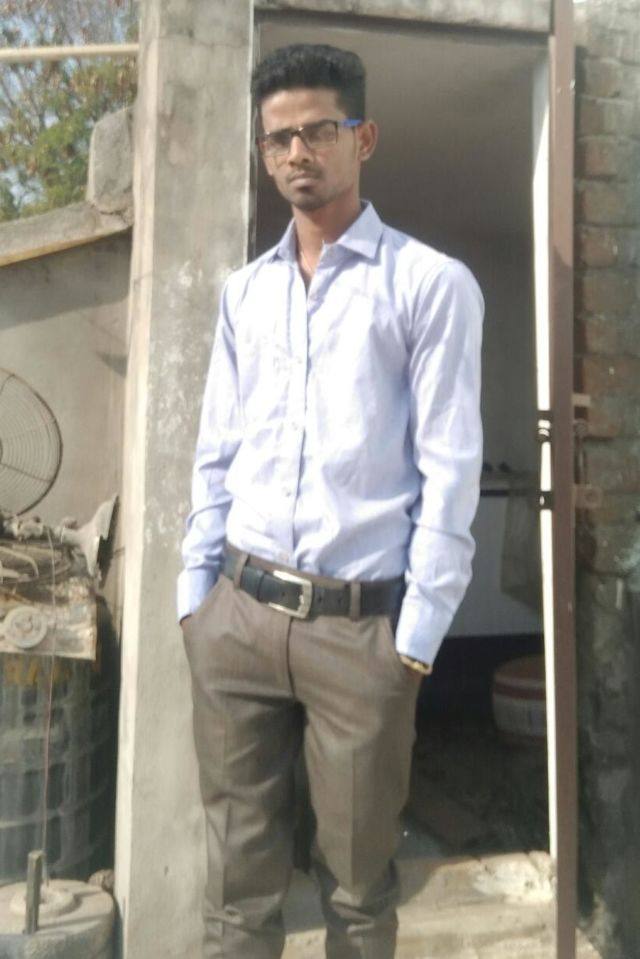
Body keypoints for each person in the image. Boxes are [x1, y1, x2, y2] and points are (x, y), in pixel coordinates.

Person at [178, 42, 483, 959]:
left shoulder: (428, 285)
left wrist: (413, 645)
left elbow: (450, 470)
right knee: (235, 892)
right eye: (278, 138)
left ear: (364, 137)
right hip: (236, 620)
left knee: (356, 889)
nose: (297, 153)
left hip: (359, 636)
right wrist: (195, 600)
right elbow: (216, 449)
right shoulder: (245, 293)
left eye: (318, 130)